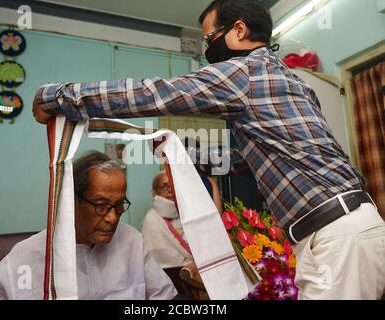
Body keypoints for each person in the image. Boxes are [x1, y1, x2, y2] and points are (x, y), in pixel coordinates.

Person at [32, 0, 385, 300]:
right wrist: (185, 155)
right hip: (353, 228)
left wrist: (56, 97)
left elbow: (155, 92)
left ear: (239, 31)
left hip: (337, 238)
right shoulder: (292, 81)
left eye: (209, 38)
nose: (207, 49)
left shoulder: (244, 71)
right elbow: (251, 160)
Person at [0, 151, 177, 300]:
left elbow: (165, 296)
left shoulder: (131, 241)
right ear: (70, 200)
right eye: (101, 206)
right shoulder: (28, 256)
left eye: (119, 205)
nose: (113, 218)